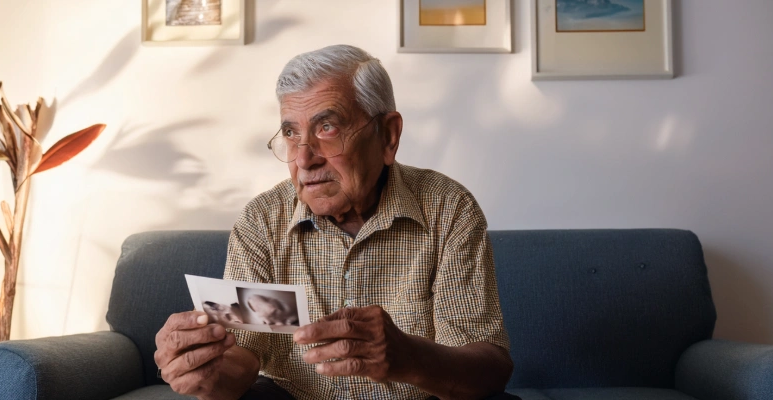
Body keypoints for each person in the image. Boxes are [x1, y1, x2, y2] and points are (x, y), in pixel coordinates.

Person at [154, 44, 516, 400]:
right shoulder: (262, 219)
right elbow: (243, 358)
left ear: (388, 136)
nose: (304, 158)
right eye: (291, 134)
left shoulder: (447, 207)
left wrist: (409, 358)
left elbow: (491, 369)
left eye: (327, 127)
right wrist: (206, 369)